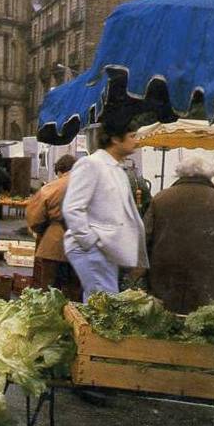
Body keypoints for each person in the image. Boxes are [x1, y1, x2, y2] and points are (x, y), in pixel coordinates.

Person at [62, 119, 148, 300]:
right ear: (116, 139)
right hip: (93, 249)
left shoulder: (117, 168)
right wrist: (90, 242)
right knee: (104, 307)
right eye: (132, 136)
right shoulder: (91, 164)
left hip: (105, 250)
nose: (137, 141)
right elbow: (73, 208)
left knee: (98, 306)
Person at [143, 152, 214, 313]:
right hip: (208, 276)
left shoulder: (161, 198)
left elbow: (145, 238)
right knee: (202, 322)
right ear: (209, 174)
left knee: (167, 321)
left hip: (165, 275)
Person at [25, 154, 81, 301]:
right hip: (82, 244)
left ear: (60, 171)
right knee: (75, 291)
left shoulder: (51, 188)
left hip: (54, 244)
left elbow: (34, 217)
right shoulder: (88, 186)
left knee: (49, 292)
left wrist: (43, 230)